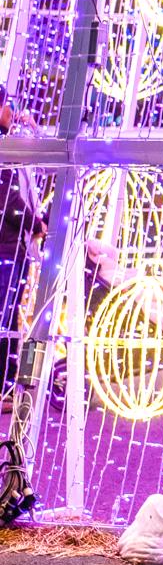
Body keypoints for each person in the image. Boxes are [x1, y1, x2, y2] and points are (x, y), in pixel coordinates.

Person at [0, 87, 44, 394]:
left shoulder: (9, 145)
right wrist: (35, 223)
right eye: (7, 106)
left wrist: (34, 130)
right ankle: (4, 384)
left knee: (9, 315)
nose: (12, 112)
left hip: (12, 247)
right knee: (5, 317)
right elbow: (8, 199)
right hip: (6, 248)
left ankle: (9, 379)